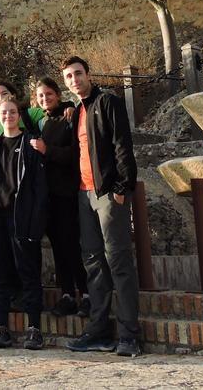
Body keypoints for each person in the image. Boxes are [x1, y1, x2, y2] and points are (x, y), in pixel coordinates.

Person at [61, 56, 141, 357]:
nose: (74, 80)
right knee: (93, 263)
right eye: (68, 77)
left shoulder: (108, 102)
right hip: (83, 195)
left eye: (78, 74)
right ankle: (98, 332)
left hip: (108, 194)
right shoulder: (77, 111)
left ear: (88, 75)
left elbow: (122, 143)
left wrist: (122, 188)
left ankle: (130, 335)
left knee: (118, 262)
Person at [0, 97, 47, 351]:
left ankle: (34, 329)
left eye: (13, 112)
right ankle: (2, 328)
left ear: (19, 114)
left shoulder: (30, 145)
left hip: (23, 221)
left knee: (29, 274)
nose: (8, 116)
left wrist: (37, 223)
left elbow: (40, 189)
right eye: (4, 112)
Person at [30, 77, 90, 318]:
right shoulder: (40, 121)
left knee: (72, 244)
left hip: (66, 191)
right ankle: (67, 294)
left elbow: (74, 154)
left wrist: (48, 151)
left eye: (49, 94)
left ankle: (85, 294)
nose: (45, 99)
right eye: (41, 96)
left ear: (57, 93)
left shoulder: (69, 116)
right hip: (47, 194)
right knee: (57, 246)